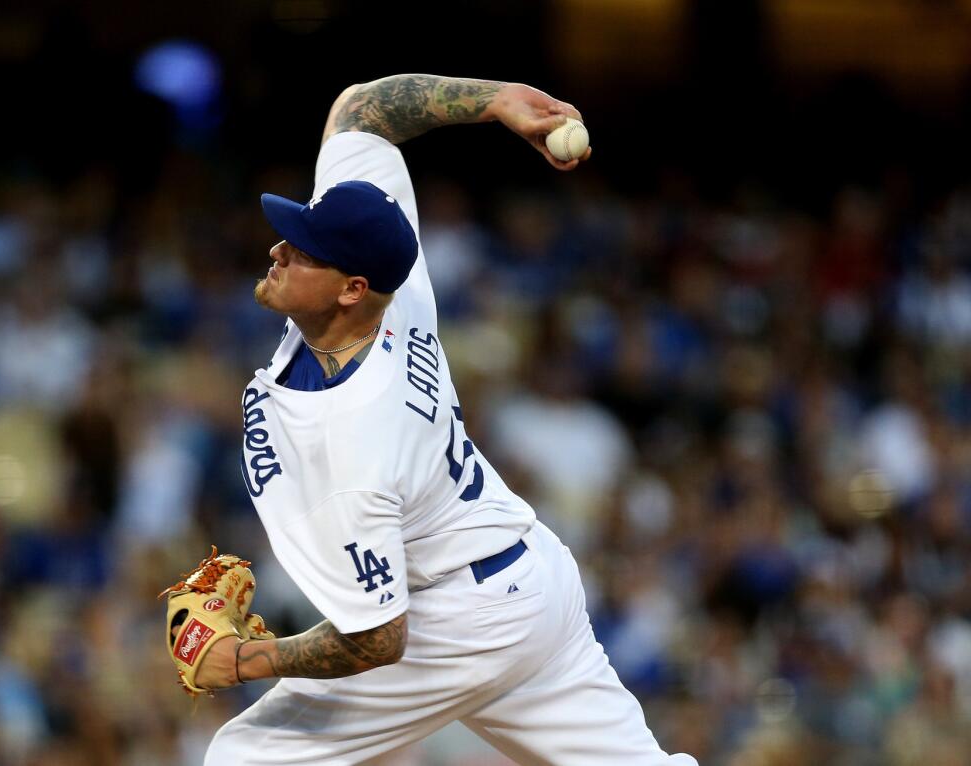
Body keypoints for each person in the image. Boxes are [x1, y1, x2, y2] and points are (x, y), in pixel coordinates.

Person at [190, 74, 697, 765]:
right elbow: (360, 111)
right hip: (525, 579)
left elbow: (379, 639)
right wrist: (495, 101)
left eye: (300, 249)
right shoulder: (390, 278)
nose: (278, 249)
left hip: (458, 618)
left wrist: (245, 658)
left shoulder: (355, 443)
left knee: (245, 759)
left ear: (350, 289)